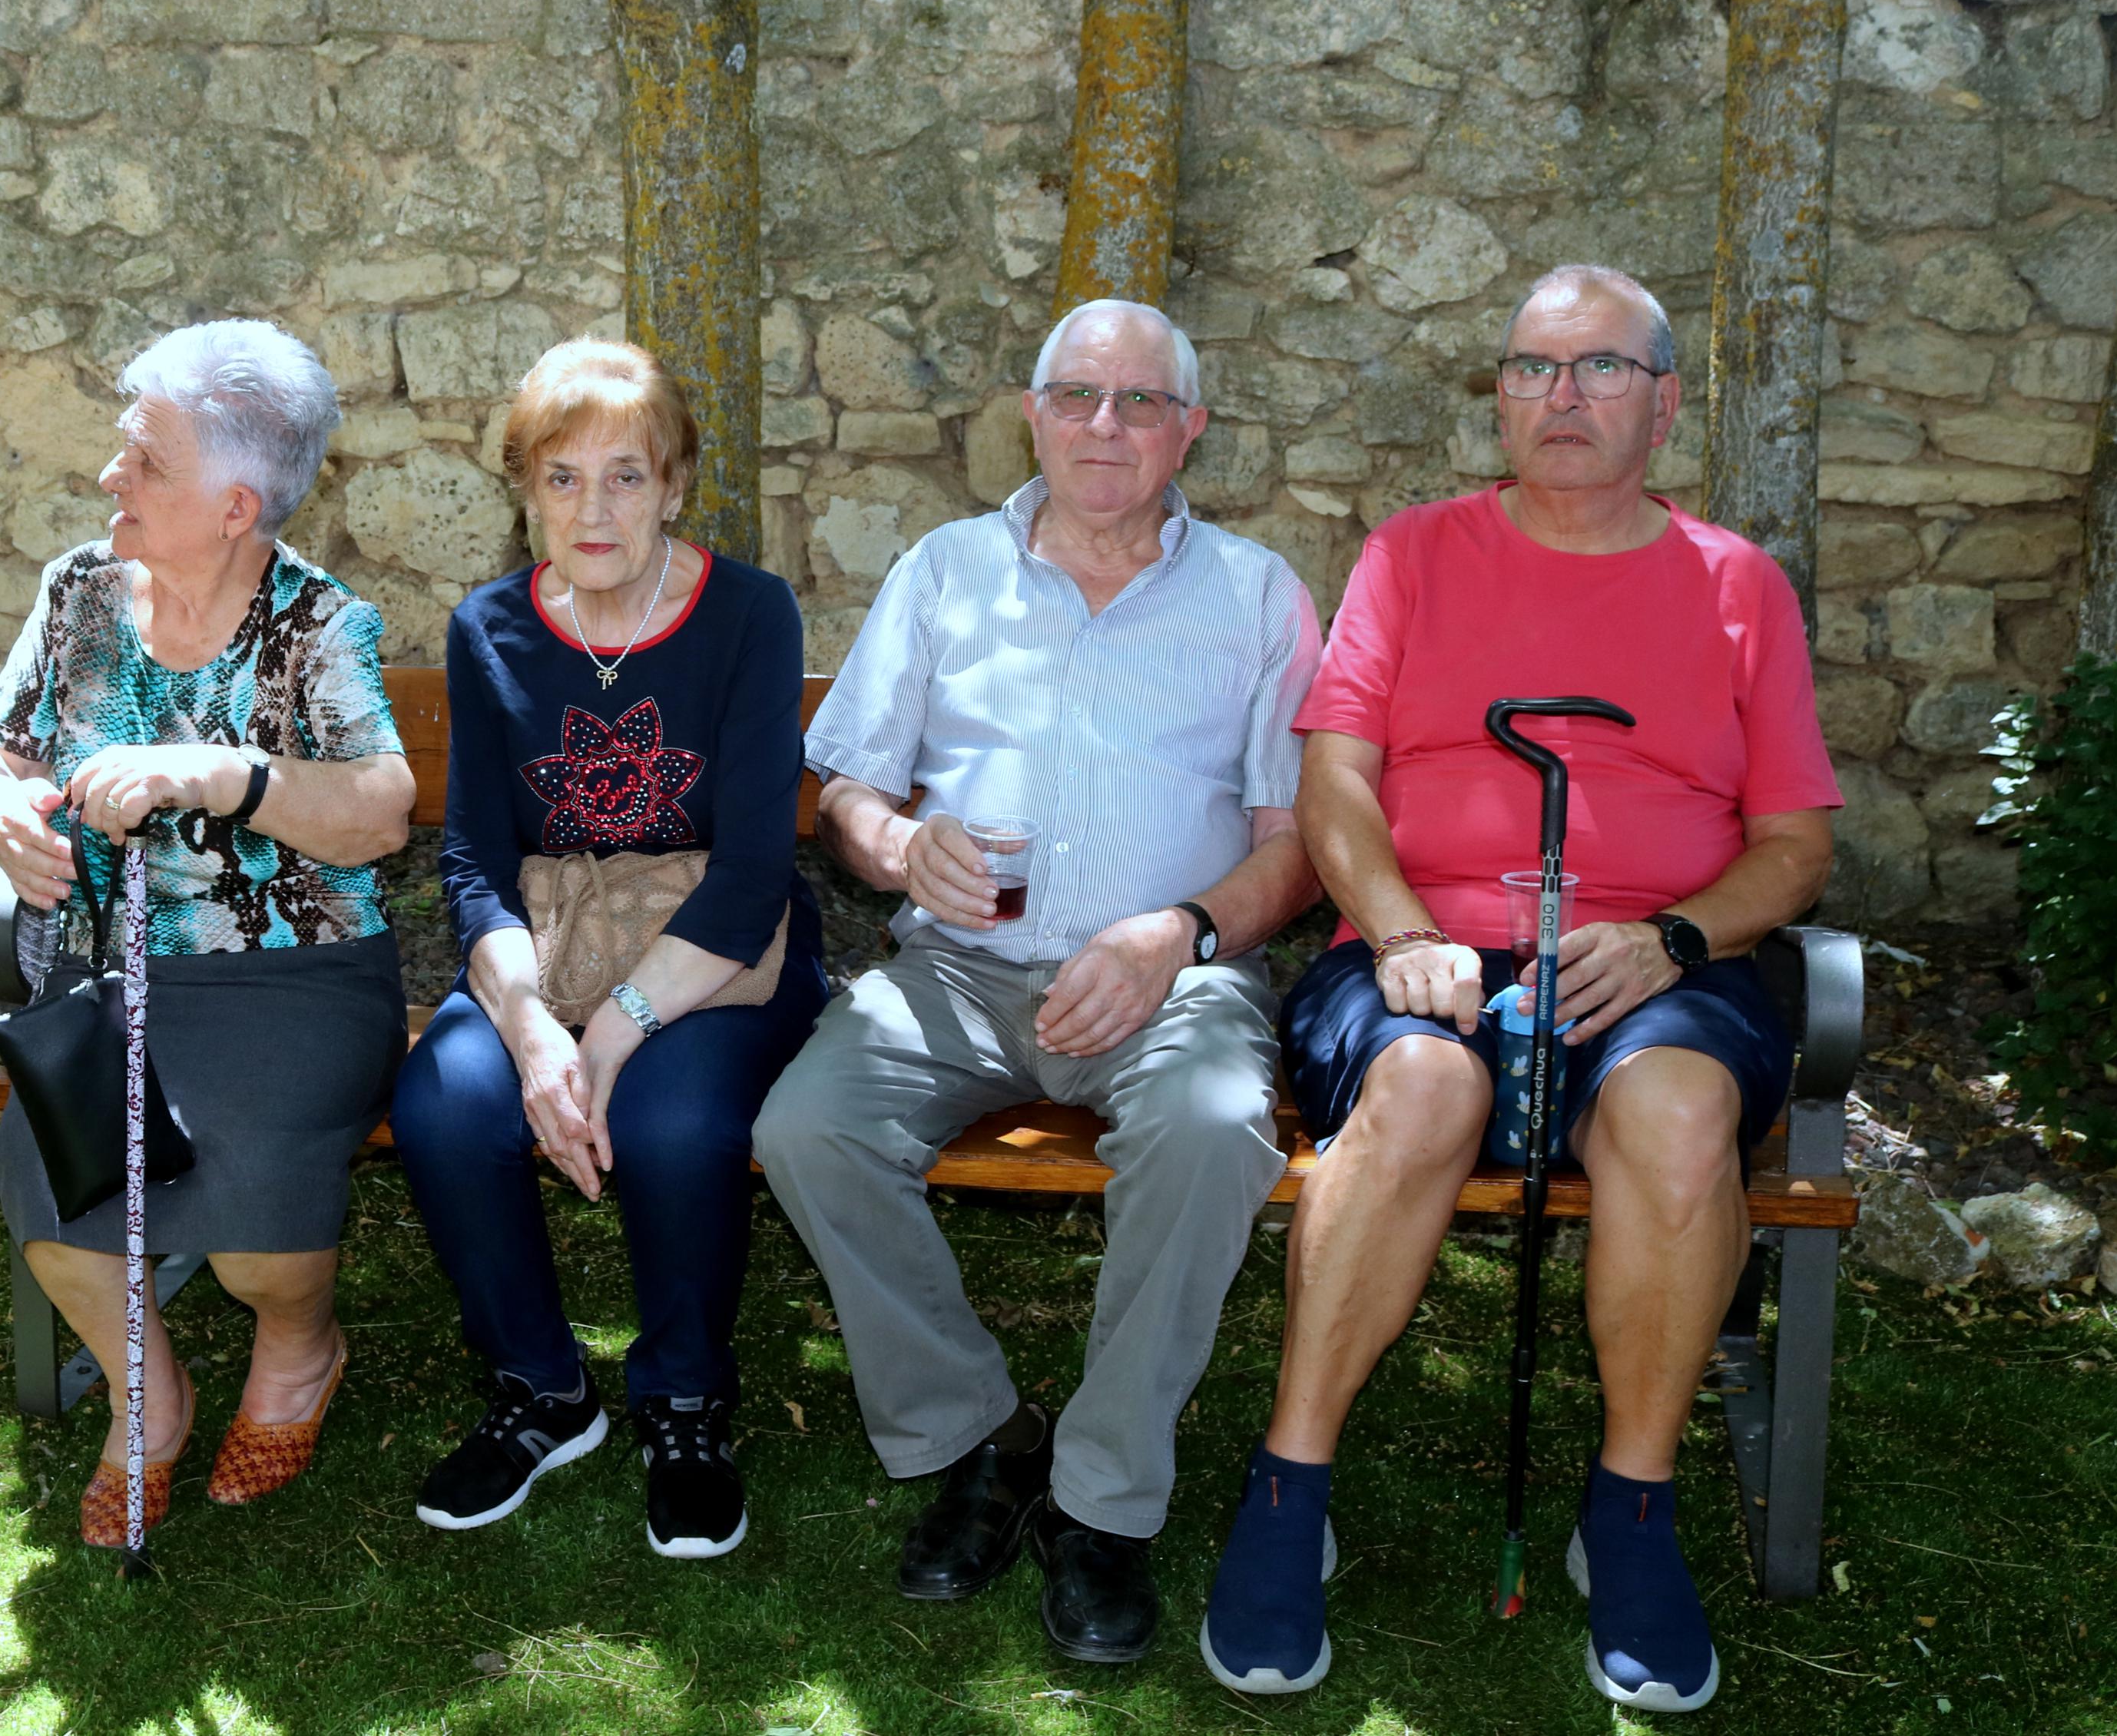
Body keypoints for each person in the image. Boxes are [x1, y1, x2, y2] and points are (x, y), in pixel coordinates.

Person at [1198, 265, 1839, 1714]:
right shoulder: (1413, 556)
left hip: (1658, 963)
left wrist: (1676, 938)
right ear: (1497, 398)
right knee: (1423, 1080)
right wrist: (1403, 925)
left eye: (1603, 370)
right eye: (1534, 371)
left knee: (1679, 1119)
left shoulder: (1739, 586)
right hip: (1419, 944)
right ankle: (1292, 1487)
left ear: (1664, 405)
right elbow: (1336, 779)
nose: (1564, 398)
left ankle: (1630, 1514)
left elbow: (1796, 843)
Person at [752, 300, 1323, 1662]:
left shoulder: (1257, 594)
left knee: (1206, 1128)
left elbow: (1298, 848)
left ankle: (1103, 1500)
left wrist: (1172, 935)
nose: (1105, 426)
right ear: (1032, 412)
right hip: (956, 968)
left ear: (1191, 428)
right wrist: (892, 842)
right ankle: (978, 1435)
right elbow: (844, 789)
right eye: (1077, 396)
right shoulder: (946, 571)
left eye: (1139, 403)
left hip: (1170, 980)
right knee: (806, 1129)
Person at [0, 320, 416, 1550]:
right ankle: (152, 1401)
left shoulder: (321, 627)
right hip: (120, 975)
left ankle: (301, 1351)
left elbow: (380, 815)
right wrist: (0, 808)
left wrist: (221, 775)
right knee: (52, 1204)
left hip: (298, 979)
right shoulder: (79, 596)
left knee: (261, 1233)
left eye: (145, 462)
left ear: (234, 504)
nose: (114, 480)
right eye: (122, 452)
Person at [387, 341, 826, 1562]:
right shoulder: (488, 629)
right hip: (548, 942)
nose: (595, 509)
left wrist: (617, 1034)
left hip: (712, 951)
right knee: (445, 1099)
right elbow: (472, 860)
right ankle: (543, 1388)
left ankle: (683, 1400)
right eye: (563, 477)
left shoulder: (748, 614)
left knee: (676, 1123)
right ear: (526, 489)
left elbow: (749, 876)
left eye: (626, 477)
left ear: (676, 485)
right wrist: (533, 1032)